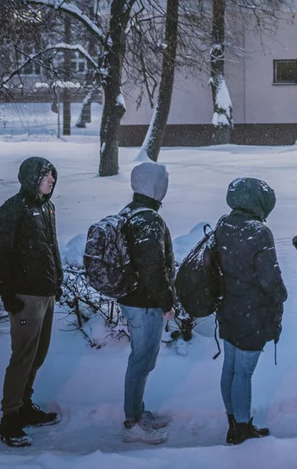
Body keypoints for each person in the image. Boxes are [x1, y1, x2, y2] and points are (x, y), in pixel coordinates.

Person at [0, 157, 63, 447]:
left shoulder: (47, 207)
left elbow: (50, 246)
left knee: (38, 355)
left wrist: (58, 279)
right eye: (46, 176)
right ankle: (9, 420)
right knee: (22, 357)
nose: (51, 180)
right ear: (31, 178)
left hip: (46, 294)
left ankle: (24, 406)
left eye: (53, 175)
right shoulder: (14, 209)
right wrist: (7, 292)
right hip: (24, 297)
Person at [215, 177, 287, 445]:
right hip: (252, 312)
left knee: (230, 368)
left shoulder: (224, 224)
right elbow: (270, 279)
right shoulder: (258, 232)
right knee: (243, 372)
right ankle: (242, 428)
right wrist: (282, 296)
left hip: (228, 308)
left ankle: (233, 421)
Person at [118, 162, 176, 445]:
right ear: (152, 186)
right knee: (141, 361)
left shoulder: (130, 213)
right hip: (144, 304)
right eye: (163, 181)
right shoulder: (148, 220)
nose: (166, 186)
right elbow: (154, 269)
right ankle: (132, 424)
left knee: (141, 360)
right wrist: (166, 302)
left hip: (134, 300)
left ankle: (137, 412)